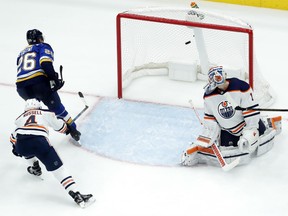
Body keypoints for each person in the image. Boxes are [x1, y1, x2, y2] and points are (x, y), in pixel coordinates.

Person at [181, 66, 282, 167]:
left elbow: (251, 112)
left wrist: (250, 131)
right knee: (227, 153)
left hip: (245, 126)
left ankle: (264, 124)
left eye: (218, 80)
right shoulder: (208, 96)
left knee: (256, 142)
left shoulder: (241, 87)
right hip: (228, 131)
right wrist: (208, 136)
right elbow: (210, 118)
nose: (218, 85)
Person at [9, 99, 94, 208]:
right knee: (59, 170)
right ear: (38, 107)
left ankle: (34, 167)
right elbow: (60, 127)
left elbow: (13, 138)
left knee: (26, 147)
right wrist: (69, 130)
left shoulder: (20, 118)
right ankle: (75, 193)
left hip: (21, 145)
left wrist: (15, 148)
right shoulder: (45, 113)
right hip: (39, 142)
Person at [16, 29, 81, 141]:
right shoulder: (42, 46)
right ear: (38, 39)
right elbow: (45, 63)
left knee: (34, 111)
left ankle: (27, 136)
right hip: (39, 85)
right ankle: (74, 131)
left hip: (22, 88)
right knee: (57, 108)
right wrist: (54, 79)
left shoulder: (21, 52)